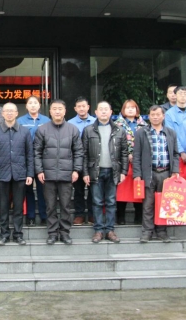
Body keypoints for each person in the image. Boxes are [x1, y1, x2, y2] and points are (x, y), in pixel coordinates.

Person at [35, 99, 83, 245]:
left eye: (60, 109)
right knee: (50, 206)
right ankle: (52, 233)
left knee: (65, 205)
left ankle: (64, 232)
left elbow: (78, 152)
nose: (57, 111)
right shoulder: (42, 129)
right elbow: (36, 152)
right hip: (48, 175)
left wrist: (76, 170)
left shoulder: (72, 129)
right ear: (50, 111)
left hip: (67, 174)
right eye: (54, 109)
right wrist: (39, 170)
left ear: (65, 111)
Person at [82, 101, 128, 243]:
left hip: (113, 171)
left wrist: (123, 171)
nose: (103, 112)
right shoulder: (88, 130)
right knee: (96, 202)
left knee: (111, 202)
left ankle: (110, 230)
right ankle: (98, 230)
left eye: (106, 109)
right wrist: (85, 173)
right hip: (95, 170)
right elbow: (84, 153)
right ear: (95, 112)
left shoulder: (119, 130)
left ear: (111, 112)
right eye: (100, 109)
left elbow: (124, 153)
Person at [0, 102, 34, 245]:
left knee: (18, 207)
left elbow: (29, 154)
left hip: (20, 174)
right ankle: (4, 234)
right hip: (1, 174)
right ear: (2, 114)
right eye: (6, 111)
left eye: (12, 111)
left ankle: (18, 234)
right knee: (3, 207)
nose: (9, 113)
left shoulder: (24, 131)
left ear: (16, 113)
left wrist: (30, 174)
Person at [134, 105, 180, 244]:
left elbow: (175, 154)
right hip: (148, 173)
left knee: (164, 203)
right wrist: (137, 174)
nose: (155, 117)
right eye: (152, 115)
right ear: (149, 116)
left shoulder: (170, 133)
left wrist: (175, 171)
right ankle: (147, 232)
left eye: (158, 114)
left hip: (165, 173)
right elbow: (136, 155)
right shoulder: (141, 133)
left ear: (163, 116)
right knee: (148, 204)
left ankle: (161, 231)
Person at [17, 95, 50, 226]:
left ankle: (44, 215)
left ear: (39, 105)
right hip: (26, 159)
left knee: (43, 190)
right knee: (28, 189)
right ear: (26, 106)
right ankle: (30, 216)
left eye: (35, 103)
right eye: (30, 103)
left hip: (43, 159)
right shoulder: (20, 121)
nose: (33, 105)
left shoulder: (46, 120)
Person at [115, 99, 147, 225]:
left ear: (137, 110)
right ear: (123, 110)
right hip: (122, 162)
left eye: (133, 107)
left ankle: (138, 217)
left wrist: (137, 155)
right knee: (122, 190)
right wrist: (127, 154)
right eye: (127, 107)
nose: (130, 109)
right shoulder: (117, 125)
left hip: (139, 162)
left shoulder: (144, 125)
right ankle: (120, 217)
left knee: (138, 188)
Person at [68, 96, 95, 226]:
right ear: (75, 108)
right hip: (76, 160)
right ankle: (79, 214)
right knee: (78, 189)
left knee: (93, 189)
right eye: (79, 106)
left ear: (88, 107)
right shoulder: (70, 123)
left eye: (84, 106)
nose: (81, 108)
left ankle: (91, 214)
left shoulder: (95, 122)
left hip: (92, 160)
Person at [164, 86, 186, 174]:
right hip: (177, 154)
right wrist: (181, 151)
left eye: (185, 94)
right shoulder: (169, 114)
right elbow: (171, 134)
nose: (183, 96)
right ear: (175, 95)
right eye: (180, 93)